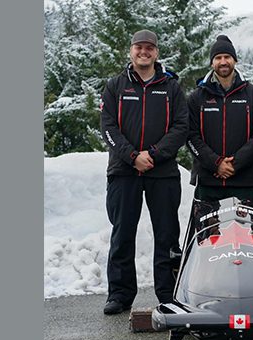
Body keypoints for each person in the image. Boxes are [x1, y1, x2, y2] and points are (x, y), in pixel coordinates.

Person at [99, 30, 188, 315]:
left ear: (156, 53)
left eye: (149, 48)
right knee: (123, 232)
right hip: (123, 172)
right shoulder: (115, 86)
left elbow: (181, 127)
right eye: (139, 47)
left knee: (167, 235)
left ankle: (168, 293)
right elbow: (108, 128)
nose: (144, 52)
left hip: (162, 172)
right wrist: (132, 156)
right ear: (131, 51)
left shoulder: (171, 87)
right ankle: (120, 295)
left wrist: (154, 154)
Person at [186, 35, 253, 202]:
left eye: (227, 57)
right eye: (218, 58)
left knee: (245, 229)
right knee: (209, 229)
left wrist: (235, 163)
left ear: (235, 60)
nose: (223, 62)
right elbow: (190, 135)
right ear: (212, 63)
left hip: (245, 181)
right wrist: (216, 163)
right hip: (208, 180)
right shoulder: (197, 97)